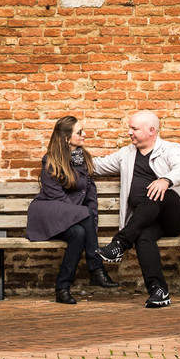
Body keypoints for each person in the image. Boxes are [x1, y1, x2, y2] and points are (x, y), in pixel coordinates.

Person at [92, 110, 180, 308]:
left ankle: (120, 244)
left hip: (173, 217)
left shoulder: (170, 148)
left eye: (134, 129)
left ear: (151, 131)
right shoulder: (126, 154)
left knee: (159, 192)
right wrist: (68, 156)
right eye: (129, 128)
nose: (129, 132)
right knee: (143, 237)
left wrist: (165, 180)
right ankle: (159, 291)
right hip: (147, 220)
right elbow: (98, 165)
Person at [25, 116, 118, 304]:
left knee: (79, 233)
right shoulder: (50, 161)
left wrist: (91, 220)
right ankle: (96, 268)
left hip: (74, 217)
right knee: (84, 217)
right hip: (48, 213)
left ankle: (62, 288)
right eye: (79, 132)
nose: (84, 135)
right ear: (67, 138)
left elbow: (91, 196)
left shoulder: (85, 160)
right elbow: (56, 197)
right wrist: (83, 214)